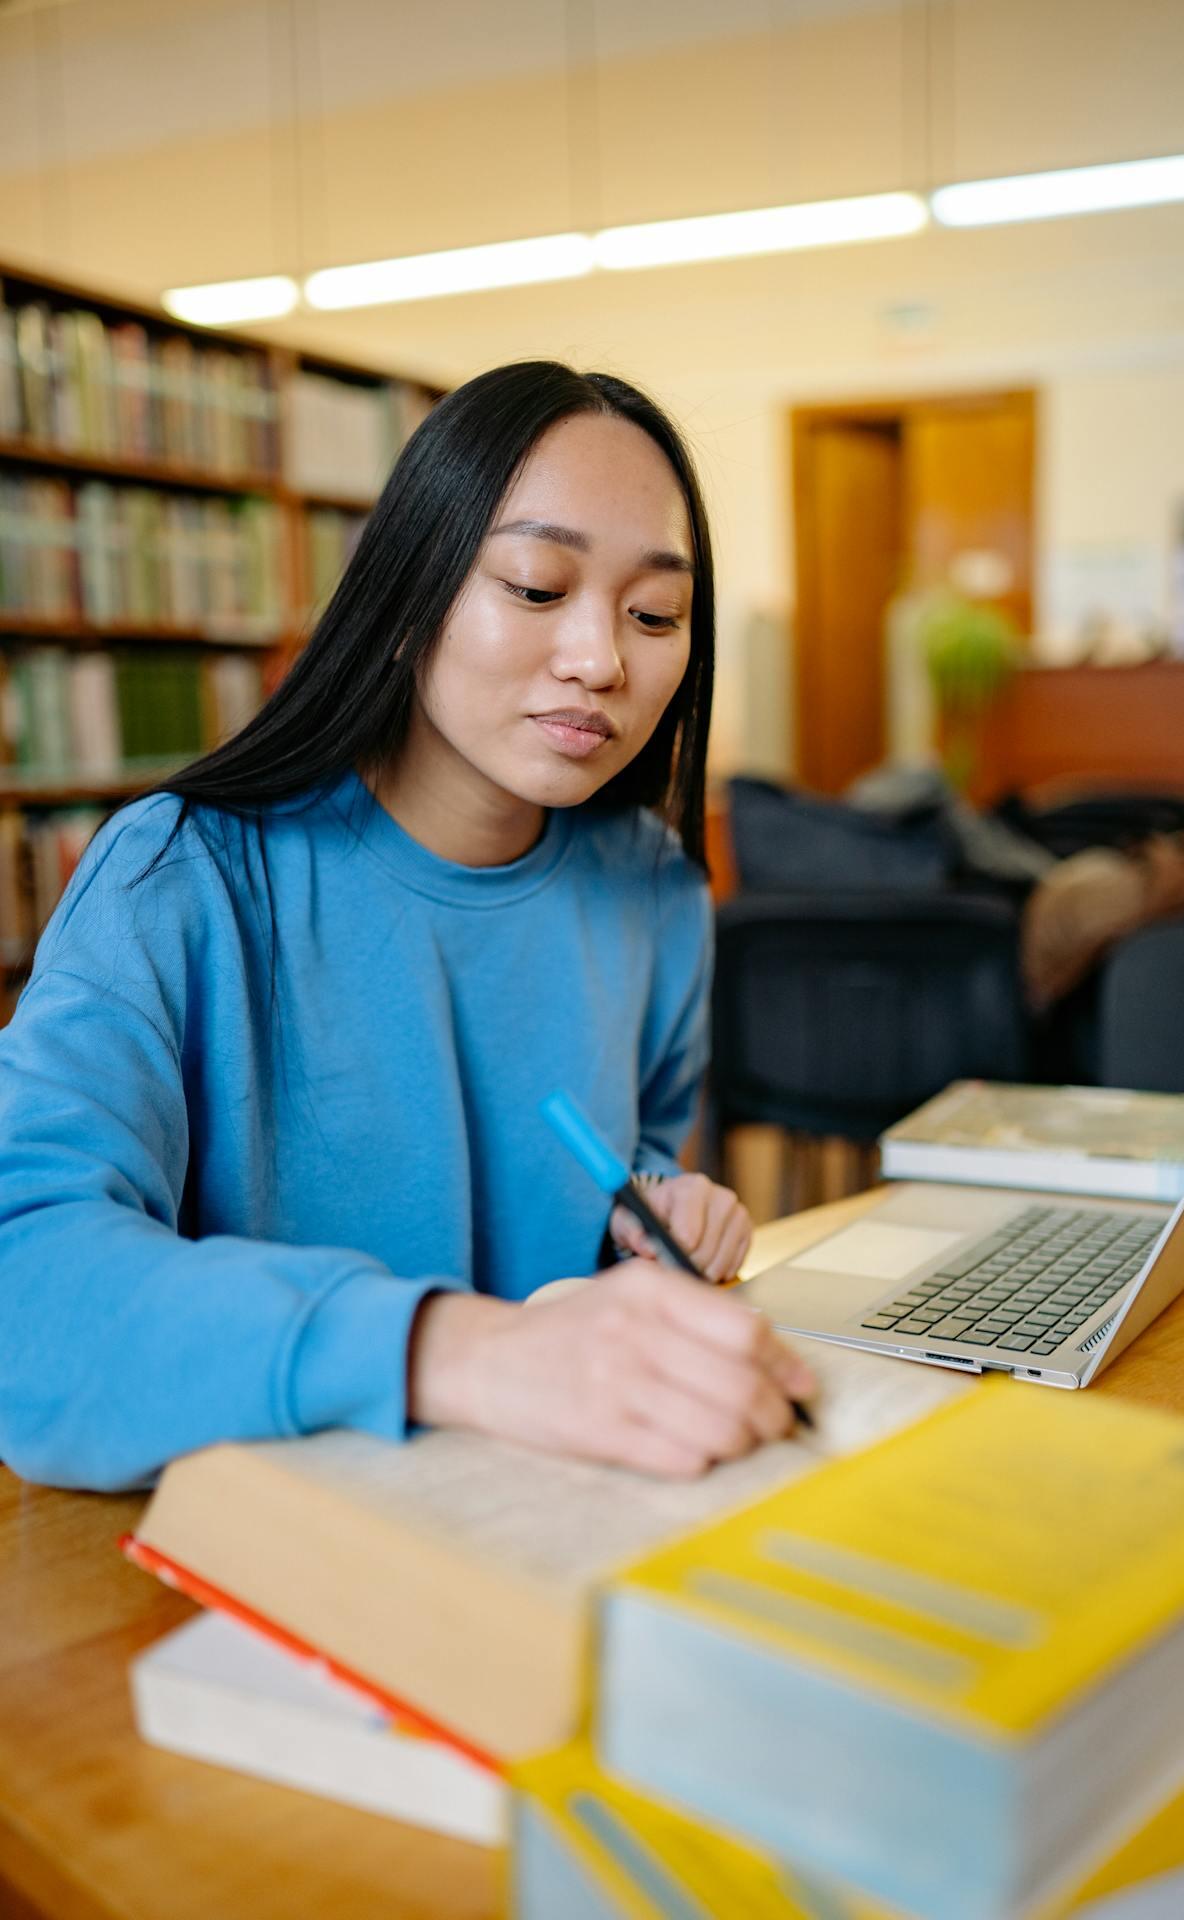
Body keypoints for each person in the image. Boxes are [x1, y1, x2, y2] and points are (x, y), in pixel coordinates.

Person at [0, 360, 815, 1493]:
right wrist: (459, 1351)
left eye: (654, 613)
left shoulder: (654, 892)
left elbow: (611, 1169)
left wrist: (647, 1214)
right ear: (405, 597)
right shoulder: (179, 875)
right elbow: (24, 1289)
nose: (601, 660)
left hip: (558, 1509)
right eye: (536, 587)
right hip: (268, 1547)